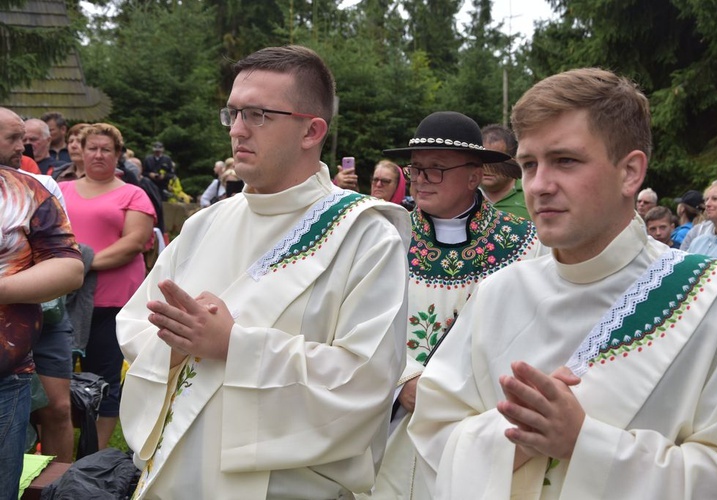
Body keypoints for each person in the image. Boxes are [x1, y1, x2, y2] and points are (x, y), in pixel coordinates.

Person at [408, 68, 717, 499]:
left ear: (630, 172)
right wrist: (514, 438)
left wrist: (584, 443)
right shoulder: (498, 291)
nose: (540, 186)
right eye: (530, 164)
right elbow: (435, 431)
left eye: (565, 161)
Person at [116, 45, 411, 499]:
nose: (236, 131)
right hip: (174, 476)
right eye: (232, 114)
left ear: (311, 131)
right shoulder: (204, 224)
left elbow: (365, 382)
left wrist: (233, 345)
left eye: (257, 115)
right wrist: (174, 346)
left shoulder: (366, 235)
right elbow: (137, 325)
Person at [360, 111, 543, 499]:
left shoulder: (527, 245)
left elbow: (541, 328)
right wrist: (403, 381)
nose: (422, 180)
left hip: (482, 426)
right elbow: (360, 322)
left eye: (436, 169)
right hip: (394, 427)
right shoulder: (386, 240)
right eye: (417, 169)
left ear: (474, 175)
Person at [0, 107, 83, 500]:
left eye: (24, 137)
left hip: (6, 375)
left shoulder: (31, 191)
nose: (24, 146)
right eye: (12, 138)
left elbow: (69, 269)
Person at [58, 123, 156, 450]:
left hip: (112, 301)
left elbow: (134, 242)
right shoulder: (61, 190)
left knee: (104, 380)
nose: (98, 155)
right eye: (92, 148)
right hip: (61, 300)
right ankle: (59, 443)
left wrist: (78, 265)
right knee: (56, 378)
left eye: (106, 149)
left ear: (117, 155)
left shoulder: (133, 193)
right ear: (81, 152)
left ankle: (93, 453)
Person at [480, 124, 530, 219]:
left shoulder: (531, 193)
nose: (488, 167)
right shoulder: (464, 195)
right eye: (483, 158)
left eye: (496, 159)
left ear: (514, 160)